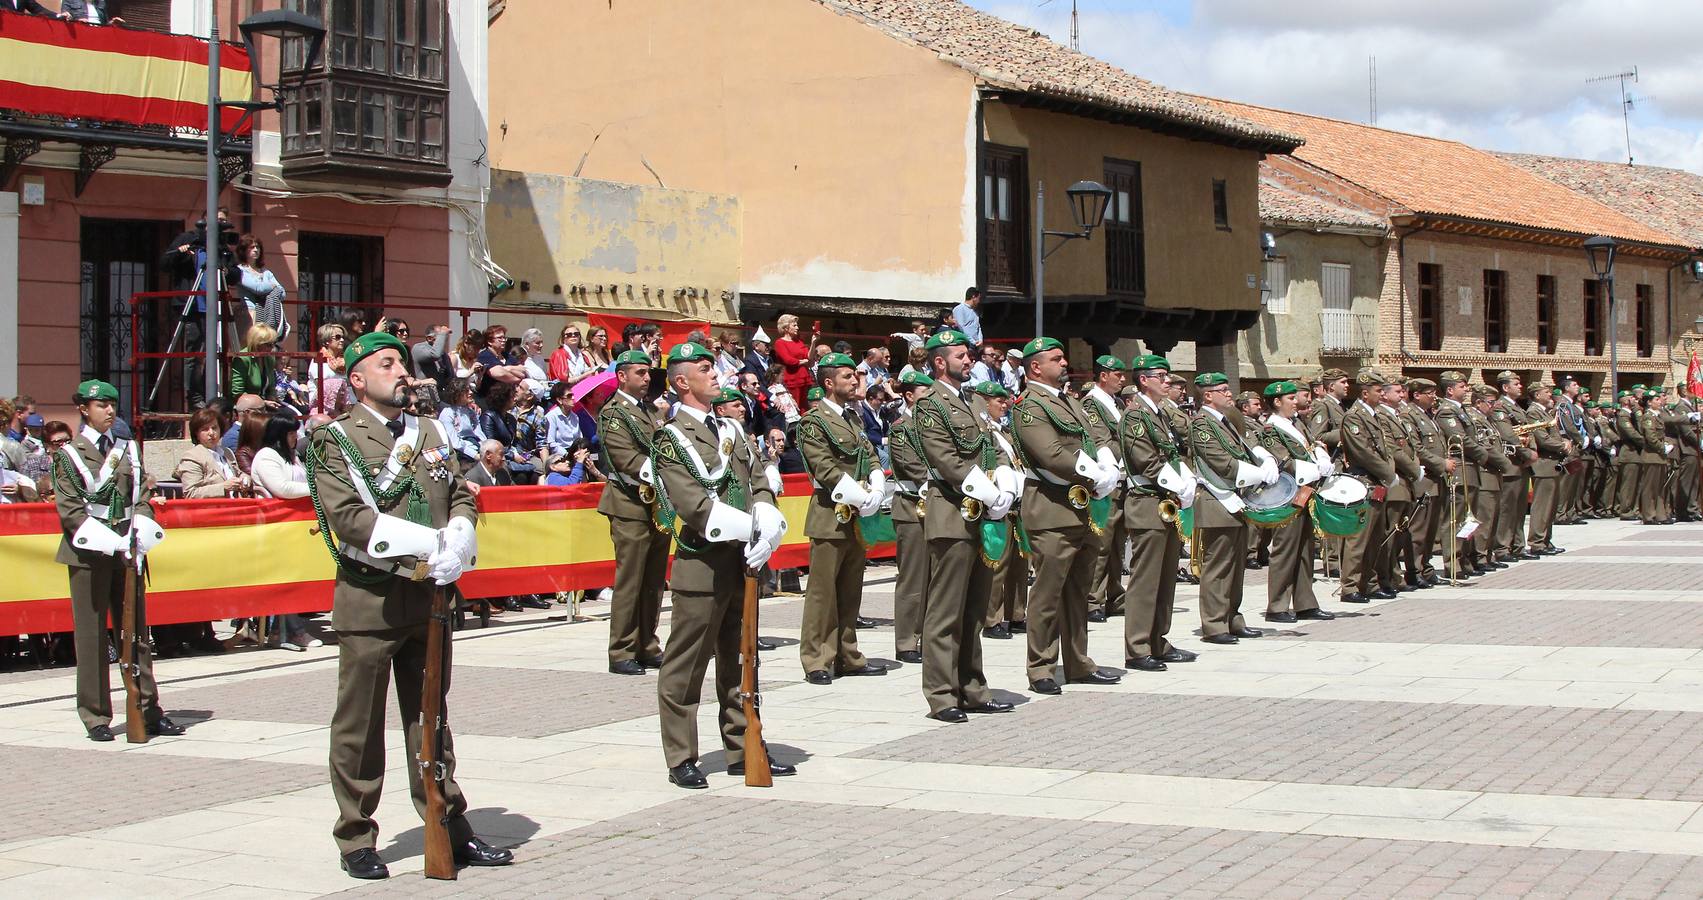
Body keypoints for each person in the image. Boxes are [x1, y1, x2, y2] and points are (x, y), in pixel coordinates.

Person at [302, 330, 508, 879]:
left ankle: (446, 821)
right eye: (386, 363)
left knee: (430, 720)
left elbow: (460, 488)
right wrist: (430, 545)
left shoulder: (431, 431)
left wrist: (460, 530)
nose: (400, 371)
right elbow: (349, 519)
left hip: (428, 597)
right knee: (360, 726)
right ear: (357, 380)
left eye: (400, 362)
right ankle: (355, 836)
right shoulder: (334, 441)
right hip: (372, 602)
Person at [650, 342, 791, 789]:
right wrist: (751, 527)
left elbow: (757, 479)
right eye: (704, 368)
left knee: (741, 659)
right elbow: (692, 504)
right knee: (686, 665)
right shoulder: (669, 438)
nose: (715, 375)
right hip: (703, 564)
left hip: (741, 564)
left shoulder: (729, 427)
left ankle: (741, 745)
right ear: (680, 381)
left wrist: (767, 518)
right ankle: (681, 756)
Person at [53, 380, 182, 740]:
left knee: (136, 633)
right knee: (92, 636)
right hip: (88, 553)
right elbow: (70, 510)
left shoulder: (127, 449)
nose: (109, 411)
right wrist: (107, 539)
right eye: (100, 405)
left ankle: (147, 709)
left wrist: (140, 525)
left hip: (127, 548)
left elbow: (141, 493)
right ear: (83, 409)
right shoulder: (69, 454)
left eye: (112, 405)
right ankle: (95, 716)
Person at [909, 331, 1013, 721]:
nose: (968, 360)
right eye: (960, 355)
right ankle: (941, 695)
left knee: (974, 608)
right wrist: (986, 489)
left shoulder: (970, 401)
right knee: (945, 610)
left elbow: (989, 446)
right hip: (952, 513)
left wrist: (1004, 477)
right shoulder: (929, 404)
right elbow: (944, 459)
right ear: (939, 362)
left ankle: (972, 688)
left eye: (969, 354)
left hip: (980, 511)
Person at [1011, 337, 1121, 694]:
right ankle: (1041, 667)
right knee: (1047, 593)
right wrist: (1093, 473)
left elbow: (1090, 438)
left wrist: (1105, 461)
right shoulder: (1029, 404)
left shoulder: (1069, 401)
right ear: (1035, 367)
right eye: (1056, 359)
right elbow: (1051, 452)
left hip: (1080, 507)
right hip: (1051, 508)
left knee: (1078, 591)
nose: (1064, 363)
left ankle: (1078, 662)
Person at [795, 351, 886, 684]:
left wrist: (877, 483)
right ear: (829, 382)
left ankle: (848, 654)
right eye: (848, 376)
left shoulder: (854, 419)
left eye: (855, 375)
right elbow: (823, 467)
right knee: (822, 593)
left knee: (851, 590)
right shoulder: (813, 421)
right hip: (830, 515)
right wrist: (860, 495)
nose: (855, 381)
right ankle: (817, 659)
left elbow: (871, 455)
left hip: (857, 517)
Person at [1116, 355, 1195, 670]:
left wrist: (1186, 477)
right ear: (1143, 379)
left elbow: (1174, 452)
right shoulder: (1135, 416)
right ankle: (1137, 648)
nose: (1168, 381)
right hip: (1148, 502)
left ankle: (1158, 641)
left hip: (1167, 502)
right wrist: (1178, 483)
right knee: (1145, 581)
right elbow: (1146, 460)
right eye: (1161, 376)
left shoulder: (1159, 414)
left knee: (1165, 580)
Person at [596, 349, 672, 675]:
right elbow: (624, 457)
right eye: (640, 373)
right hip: (629, 502)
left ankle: (647, 644)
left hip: (655, 502)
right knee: (630, 580)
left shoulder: (648, 411)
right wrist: (662, 473)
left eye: (647, 373)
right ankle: (622, 650)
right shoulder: (615, 413)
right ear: (622, 376)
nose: (646, 379)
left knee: (653, 581)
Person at [1187, 372, 1272, 642]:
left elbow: (1242, 450)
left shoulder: (1225, 422)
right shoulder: (1202, 422)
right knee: (1218, 566)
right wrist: (1256, 474)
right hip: (1216, 499)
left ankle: (1233, 618)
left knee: (1235, 567)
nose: (1229, 393)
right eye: (1222, 390)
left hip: (1235, 500)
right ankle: (1214, 624)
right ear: (1207, 395)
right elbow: (1220, 460)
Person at [1258, 381, 1333, 623]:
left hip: (1306, 491)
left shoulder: (1297, 423)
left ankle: (1305, 602)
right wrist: (1313, 468)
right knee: (1285, 550)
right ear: (1277, 402)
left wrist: (1321, 457)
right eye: (1290, 398)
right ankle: (1277, 605)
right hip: (1288, 494)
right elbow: (1283, 460)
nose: (1295, 401)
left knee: (1304, 549)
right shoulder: (1271, 429)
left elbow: (1314, 444)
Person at [885, 370, 932, 665]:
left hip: (935, 505)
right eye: (924, 393)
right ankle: (906, 641)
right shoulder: (902, 427)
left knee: (934, 578)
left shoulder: (933, 424)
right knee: (913, 578)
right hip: (912, 505)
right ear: (909, 396)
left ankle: (928, 635)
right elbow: (911, 464)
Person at [1082, 355, 1126, 622]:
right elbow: (1102, 441)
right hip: (1106, 481)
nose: (1122, 378)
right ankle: (1092, 600)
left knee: (1117, 546)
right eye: (1117, 373)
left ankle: (1115, 596)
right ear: (1103, 375)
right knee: (1101, 544)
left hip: (1122, 480)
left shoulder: (1116, 403)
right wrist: (1133, 450)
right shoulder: (1091, 403)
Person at [175, 406, 245, 498]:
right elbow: (191, 493)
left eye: (214, 428)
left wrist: (244, 478)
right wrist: (223, 487)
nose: (211, 433)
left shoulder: (227, 452)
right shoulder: (192, 457)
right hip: (210, 510)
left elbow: (238, 473)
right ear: (197, 433)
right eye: (205, 429)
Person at [229, 324, 281, 403]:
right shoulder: (242, 359)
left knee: (293, 413)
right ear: (257, 344)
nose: (272, 348)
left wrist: (272, 397)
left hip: (265, 404)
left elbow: (271, 387)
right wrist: (263, 402)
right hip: (248, 406)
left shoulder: (269, 359)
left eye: (274, 344)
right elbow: (237, 393)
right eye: (269, 345)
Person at [773, 314, 812, 407]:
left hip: (804, 378)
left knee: (805, 406)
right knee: (795, 405)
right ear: (786, 328)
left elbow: (808, 356)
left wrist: (813, 342)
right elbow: (788, 360)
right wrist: (803, 361)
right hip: (791, 379)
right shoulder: (780, 343)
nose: (797, 328)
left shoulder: (799, 342)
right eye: (794, 325)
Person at [57, 0, 123, 25]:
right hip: (81, 34)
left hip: (99, 35)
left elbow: (104, 24)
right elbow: (64, 18)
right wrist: (77, 22)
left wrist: (112, 23)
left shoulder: (101, 2)